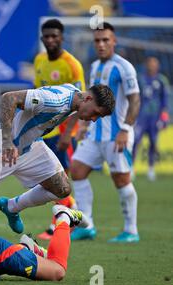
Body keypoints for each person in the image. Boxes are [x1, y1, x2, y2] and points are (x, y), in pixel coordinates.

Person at [0, 83, 115, 235]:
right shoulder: (53, 100)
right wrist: (7, 142)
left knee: (62, 188)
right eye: (96, 114)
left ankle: (11, 207)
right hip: (3, 147)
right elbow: (9, 98)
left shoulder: (74, 95)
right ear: (89, 98)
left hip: (29, 146)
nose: (93, 119)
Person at [70, 22, 141, 243]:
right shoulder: (94, 67)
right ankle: (87, 225)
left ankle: (131, 231)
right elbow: (92, 101)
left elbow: (135, 100)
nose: (101, 44)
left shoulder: (124, 67)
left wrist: (126, 130)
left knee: (121, 180)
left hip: (116, 135)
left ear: (114, 41)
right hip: (95, 134)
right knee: (77, 170)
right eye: (97, 41)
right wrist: (83, 126)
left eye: (105, 40)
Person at [33, 19, 86, 241]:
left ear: (62, 38)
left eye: (55, 36)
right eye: (47, 36)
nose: (51, 40)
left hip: (64, 133)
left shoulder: (72, 65)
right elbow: (37, 96)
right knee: (49, 180)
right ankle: (76, 216)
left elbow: (82, 103)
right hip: (46, 131)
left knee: (60, 180)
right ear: (42, 38)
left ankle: (61, 224)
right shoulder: (39, 60)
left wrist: (68, 133)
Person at [133, 56, 170, 181]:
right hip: (141, 117)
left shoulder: (161, 80)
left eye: (154, 64)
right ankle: (131, 168)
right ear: (146, 65)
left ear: (157, 66)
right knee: (135, 141)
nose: (152, 66)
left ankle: (151, 169)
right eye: (150, 64)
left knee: (153, 143)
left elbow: (165, 101)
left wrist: (164, 118)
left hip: (154, 118)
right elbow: (134, 98)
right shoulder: (140, 79)